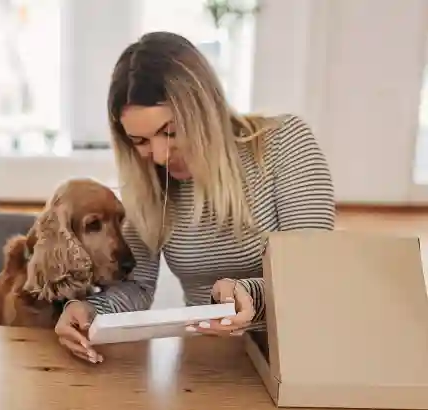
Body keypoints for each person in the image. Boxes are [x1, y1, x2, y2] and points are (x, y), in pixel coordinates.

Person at [55, 31, 336, 364]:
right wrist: (87, 310)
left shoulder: (285, 144)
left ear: (204, 109)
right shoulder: (149, 183)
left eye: (170, 132)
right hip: (208, 358)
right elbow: (137, 287)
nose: (158, 155)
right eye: (140, 141)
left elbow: (315, 274)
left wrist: (251, 295)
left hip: (294, 352)